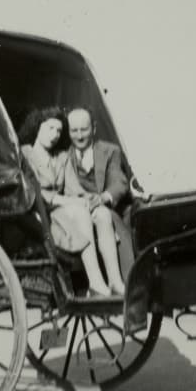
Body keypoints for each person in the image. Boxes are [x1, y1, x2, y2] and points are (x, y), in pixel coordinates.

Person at [18, 107, 123, 296]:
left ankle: (116, 281)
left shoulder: (62, 157)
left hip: (66, 211)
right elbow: (31, 192)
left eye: (59, 131)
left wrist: (89, 200)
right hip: (44, 215)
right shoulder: (25, 155)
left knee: (102, 214)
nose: (55, 135)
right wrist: (66, 202)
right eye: (50, 128)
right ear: (37, 128)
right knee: (80, 212)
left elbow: (75, 189)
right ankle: (95, 282)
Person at [65, 107, 134, 283]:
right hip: (81, 214)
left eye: (84, 129)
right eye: (74, 130)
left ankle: (128, 284)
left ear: (94, 129)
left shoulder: (110, 151)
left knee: (108, 216)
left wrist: (103, 198)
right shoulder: (65, 158)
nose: (79, 136)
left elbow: (120, 182)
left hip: (108, 209)